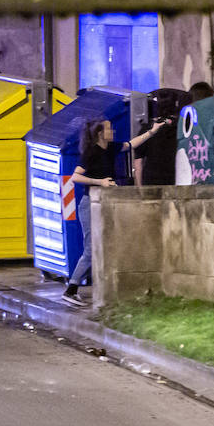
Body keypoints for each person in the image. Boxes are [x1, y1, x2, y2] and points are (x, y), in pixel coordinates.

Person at [64, 117, 168, 307]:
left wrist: (153, 131)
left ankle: (107, 288)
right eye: (109, 129)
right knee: (90, 248)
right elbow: (76, 177)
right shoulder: (91, 153)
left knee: (108, 245)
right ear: (100, 134)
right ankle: (71, 289)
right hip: (89, 205)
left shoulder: (110, 148)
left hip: (106, 204)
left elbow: (130, 144)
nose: (113, 131)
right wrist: (100, 182)